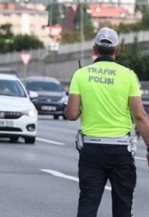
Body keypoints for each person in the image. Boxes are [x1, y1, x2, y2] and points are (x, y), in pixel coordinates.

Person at [65, 27, 149, 217]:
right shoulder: (128, 76)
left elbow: (71, 114)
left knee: (88, 202)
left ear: (95, 48)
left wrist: (79, 108)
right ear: (117, 50)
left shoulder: (81, 75)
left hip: (91, 150)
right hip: (120, 151)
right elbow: (140, 116)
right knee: (123, 205)